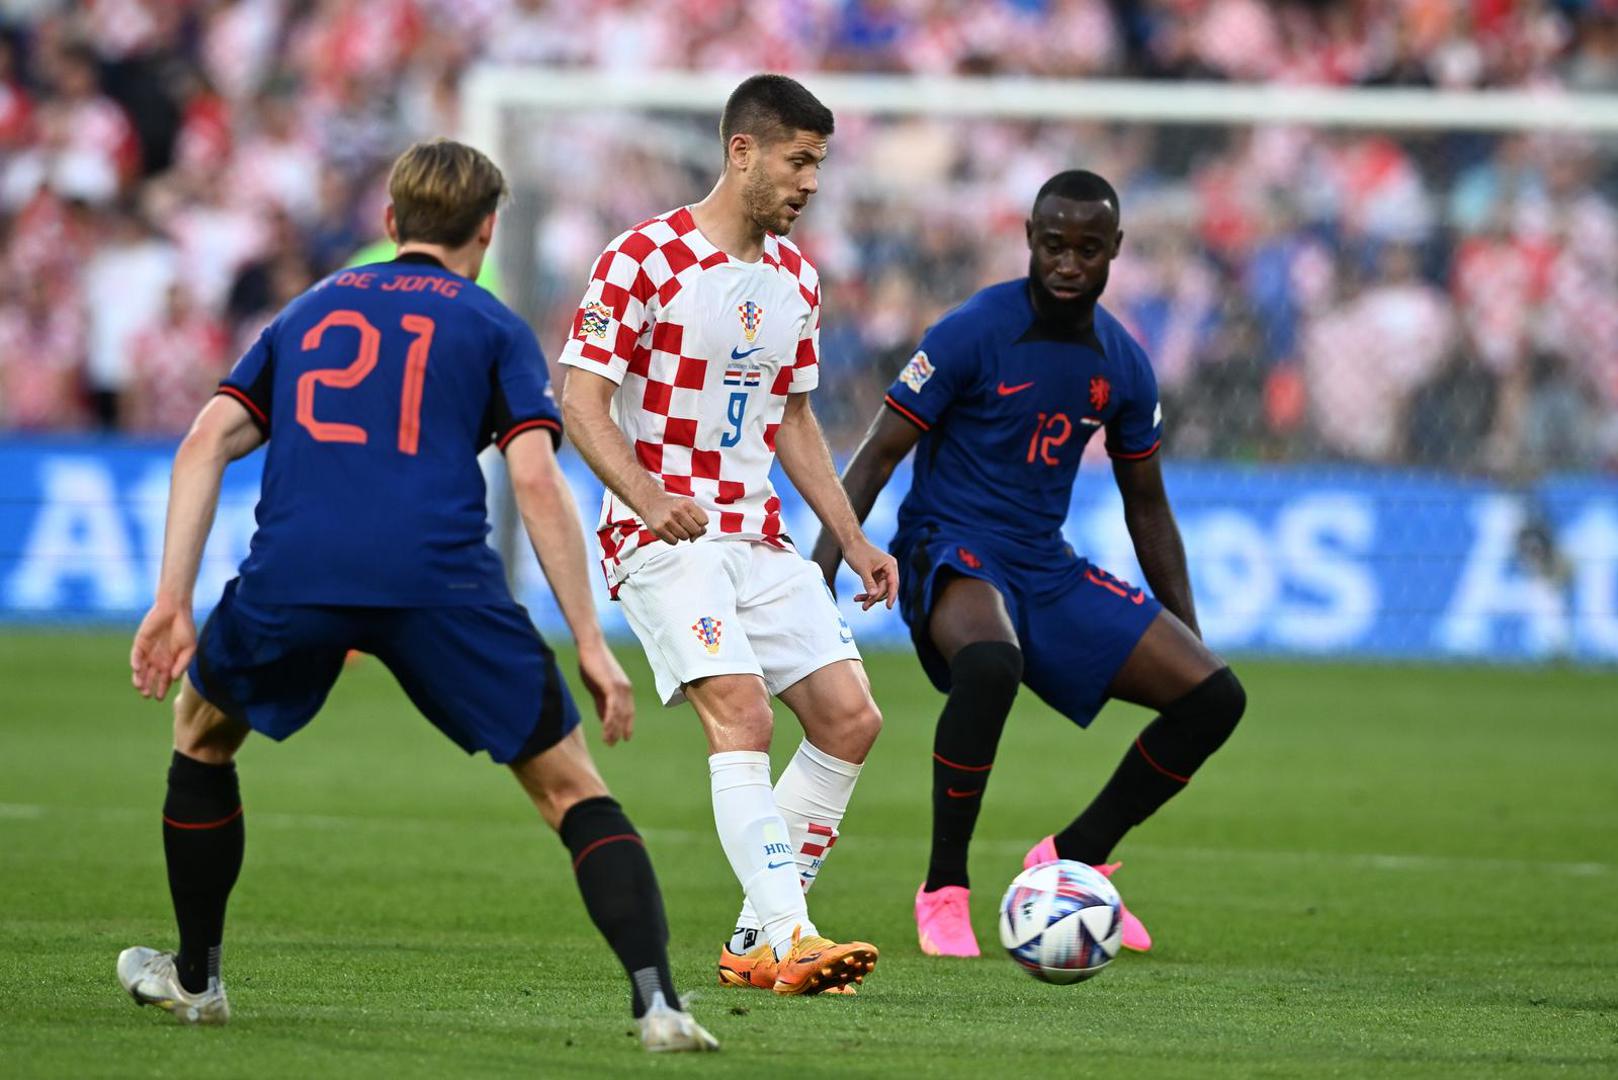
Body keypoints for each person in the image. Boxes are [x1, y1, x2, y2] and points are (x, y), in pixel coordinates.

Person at [117, 138, 717, 1053]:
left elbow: (206, 439)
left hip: (298, 571)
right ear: (486, 231)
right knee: (570, 789)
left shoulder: (308, 311)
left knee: (201, 737)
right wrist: (591, 640)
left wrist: (172, 599)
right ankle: (659, 1005)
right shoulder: (492, 324)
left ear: (391, 224)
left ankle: (198, 980)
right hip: (440, 580)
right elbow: (536, 481)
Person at [813, 170, 1247, 958]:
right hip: (948, 545)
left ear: (1116, 250)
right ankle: (944, 888)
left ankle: (1073, 861)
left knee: (1215, 699)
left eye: (1089, 248)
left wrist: (1190, 632)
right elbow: (876, 455)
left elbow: (1146, 504)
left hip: (1043, 564)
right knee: (991, 663)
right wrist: (819, 574)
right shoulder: (972, 331)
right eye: (1055, 245)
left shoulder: (1124, 363)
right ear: (1030, 241)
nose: (1070, 263)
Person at [559, 74, 894, 997]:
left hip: (756, 534)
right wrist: (644, 493)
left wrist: (853, 537)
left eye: (819, 164)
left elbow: (792, 418)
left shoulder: (796, 278)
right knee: (741, 713)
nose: (811, 182)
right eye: (799, 161)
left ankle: (757, 938)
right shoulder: (644, 258)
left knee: (851, 719)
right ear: (742, 151)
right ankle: (791, 937)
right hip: (658, 537)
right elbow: (579, 404)